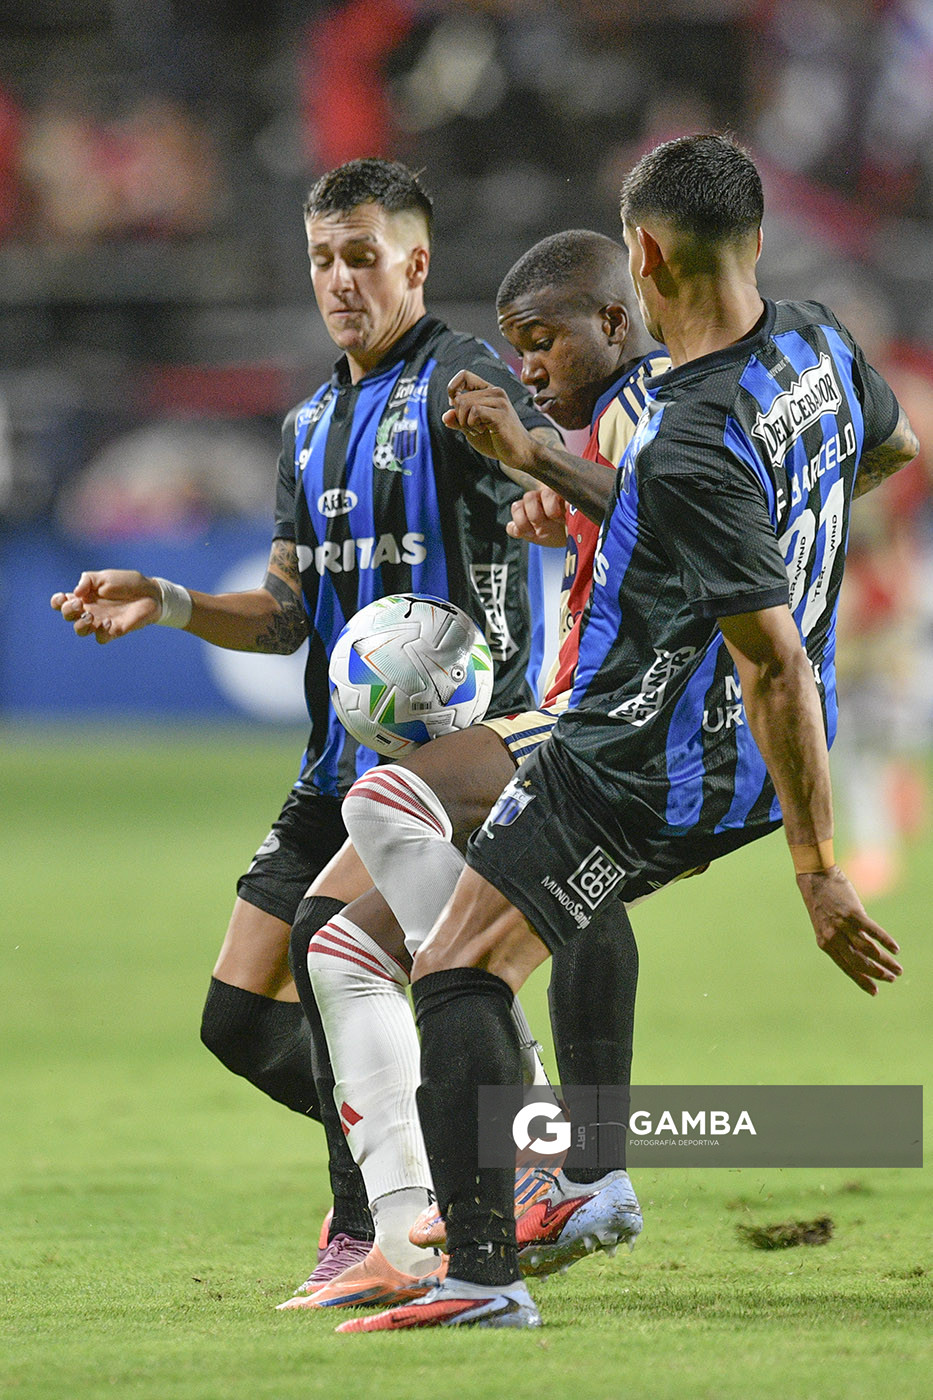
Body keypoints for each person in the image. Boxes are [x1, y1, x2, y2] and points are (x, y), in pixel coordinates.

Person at [335, 134, 919, 1334]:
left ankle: (484, 1270)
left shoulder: (691, 433)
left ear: (643, 258)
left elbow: (774, 660)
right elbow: (892, 450)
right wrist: (752, 531)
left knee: (453, 969)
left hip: (642, 754)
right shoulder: (818, 337)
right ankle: (590, 1171)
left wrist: (821, 875)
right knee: (547, 909)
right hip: (735, 764)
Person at [49, 158, 557, 1289]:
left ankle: (380, 1219)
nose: (339, 278)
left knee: (336, 957)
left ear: (415, 263)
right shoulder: (310, 422)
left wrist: (542, 492)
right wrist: (170, 602)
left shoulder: (464, 383)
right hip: (335, 764)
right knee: (237, 1018)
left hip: (449, 765)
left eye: (362, 255)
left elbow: (553, 484)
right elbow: (286, 612)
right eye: (323, 257)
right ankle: (447, 1149)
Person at [276, 229, 668, 1311]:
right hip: (582, 701)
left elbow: (686, 531)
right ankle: (405, 1230)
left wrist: (543, 466)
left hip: (633, 719)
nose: (528, 370)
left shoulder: (658, 405)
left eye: (541, 345)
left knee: (394, 799)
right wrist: (563, 502)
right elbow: (638, 521)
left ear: (618, 320)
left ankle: (555, 1152)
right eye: (518, 348)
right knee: (337, 937)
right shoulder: (616, 426)